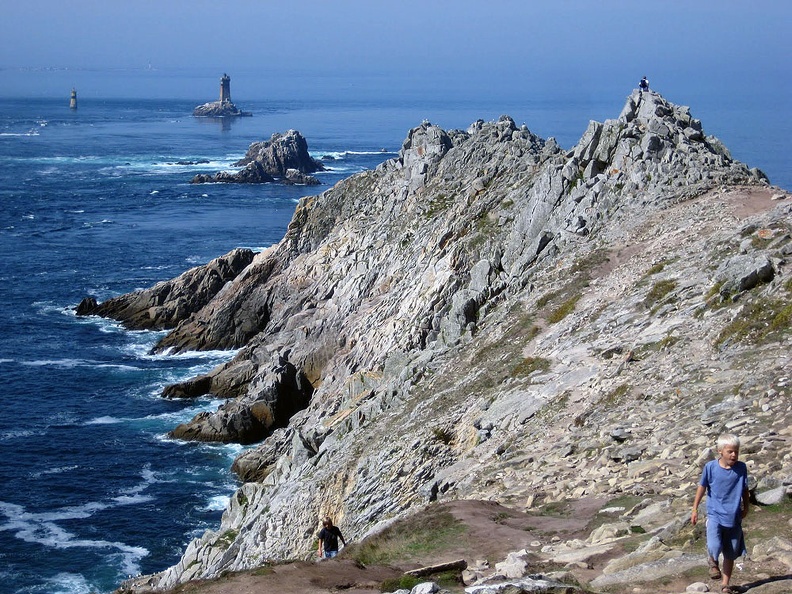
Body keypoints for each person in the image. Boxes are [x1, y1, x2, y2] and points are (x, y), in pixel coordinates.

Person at [691, 434, 749, 594]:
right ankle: (713, 561)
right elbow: (702, 487)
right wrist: (695, 508)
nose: (734, 455)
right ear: (720, 451)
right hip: (715, 513)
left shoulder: (741, 468)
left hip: (734, 516)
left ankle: (725, 585)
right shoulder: (710, 467)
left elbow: (745, 489)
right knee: (714, 544)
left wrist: (746, 507)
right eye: (730, 451)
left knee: (730, 552)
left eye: (736, 451)